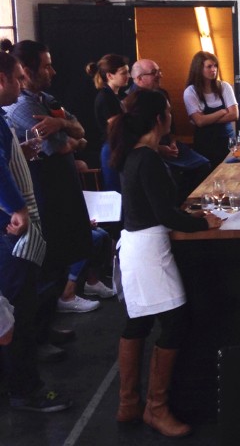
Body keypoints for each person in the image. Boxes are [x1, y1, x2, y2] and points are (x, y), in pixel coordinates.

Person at [109, 89, 222, 436]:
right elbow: (166, 215)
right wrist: (204, 221)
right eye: (170, 112)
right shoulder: (148, 159)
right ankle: (155, 408)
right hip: (149, 249)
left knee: (138, 322)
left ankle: (129, 403)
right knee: (174, 323)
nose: (173, 117)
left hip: (134, 244)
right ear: (159, 119)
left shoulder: (137, 153)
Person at [5, 41, 94, 355]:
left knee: (59, 262)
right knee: (43, 269)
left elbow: (81, 133)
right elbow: (62, 147)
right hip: (43, 195)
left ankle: (46, 327)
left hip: (63, 190)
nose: (53, 71)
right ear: (26, 72)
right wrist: (67, 133)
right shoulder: (22, 108)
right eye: (46, 65)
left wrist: (63, 124)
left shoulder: (48, 100)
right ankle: (37, 337)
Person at [0, 48, 71, 412]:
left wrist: (22, 152)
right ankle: (23, 389)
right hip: (11, 234)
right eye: (15, 77)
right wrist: (17, 209)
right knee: (18, 313)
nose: (19, 83)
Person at [132, 58, 209, 202]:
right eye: (154, 72)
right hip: (153, 149)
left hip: (170, 145)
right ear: (139, 78)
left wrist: (173, 142)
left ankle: (187, 202)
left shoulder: (162, 93)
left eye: (159, 71)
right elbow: (135, 136)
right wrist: (160, 148)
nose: (159, 75)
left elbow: (171, 128)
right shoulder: (132, 100)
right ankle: (177, 204)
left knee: (203, 164)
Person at [182, 51, 239, 169]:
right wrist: (222, 112)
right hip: (205, 144)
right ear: (198, 69)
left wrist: (207, 118)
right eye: (209, 66)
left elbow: (234, 115)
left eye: (215, 66)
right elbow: (199, 122)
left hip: (227, 141)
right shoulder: (191, 91)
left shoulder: (224, 86)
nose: (214, 69)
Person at [86, 53, 130, 191]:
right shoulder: (105, 97)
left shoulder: (118, 95)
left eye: (128, 72)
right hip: (112, 149)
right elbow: (117, 126)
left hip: (118, 146)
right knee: (116, 192)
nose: (128, 76)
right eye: (124, 73)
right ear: (110, 76)